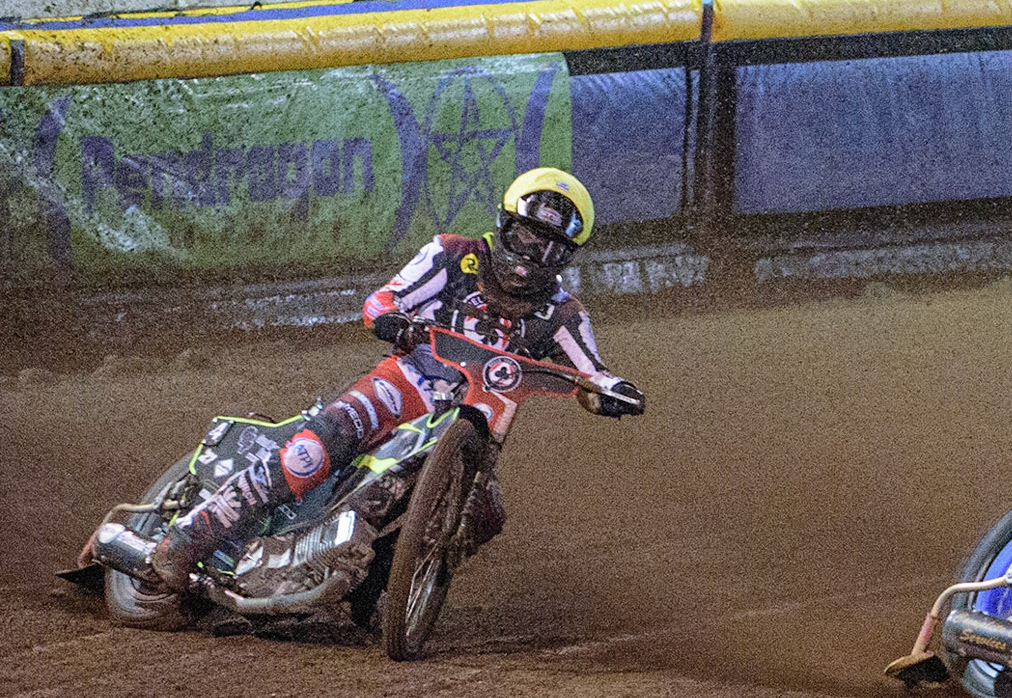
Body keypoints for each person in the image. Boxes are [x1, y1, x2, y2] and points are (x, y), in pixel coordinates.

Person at [147, 167, 644, 592]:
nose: (530, 257)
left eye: (550, 249)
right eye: (524, 238)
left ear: (566, 257)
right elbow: (383, 300)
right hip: (405, 382)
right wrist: (392, 321)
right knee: (317, 448)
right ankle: (195, 532)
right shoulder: (454, 256)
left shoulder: (564, 314)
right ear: (504, 225)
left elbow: (590, 376)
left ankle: (382, 584)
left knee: (484, 515)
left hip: (473, 430)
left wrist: (610, 395)